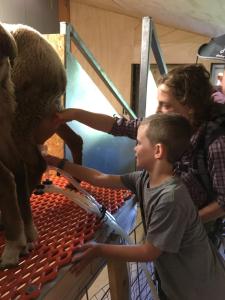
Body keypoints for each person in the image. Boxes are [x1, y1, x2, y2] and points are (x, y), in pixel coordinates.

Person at [45, 113, 225, 300]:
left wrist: (99, 249)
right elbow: (100, 178)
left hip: (202, 288)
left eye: (139, 143)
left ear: (158, 151)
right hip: (180, 284)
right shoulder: (144, 178)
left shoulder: (171, 198)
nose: (135, 148)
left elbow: (149, 252)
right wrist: (58, 163)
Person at [55, 64, 225, 230]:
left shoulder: (216, 143)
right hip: (171, 222)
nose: (157, 110)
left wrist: (187, 225)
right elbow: (118, 126)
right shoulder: (169, 128)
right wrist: (75, 114)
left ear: (190, 107)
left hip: (198, 233)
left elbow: (223, 203)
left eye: (166, 105)